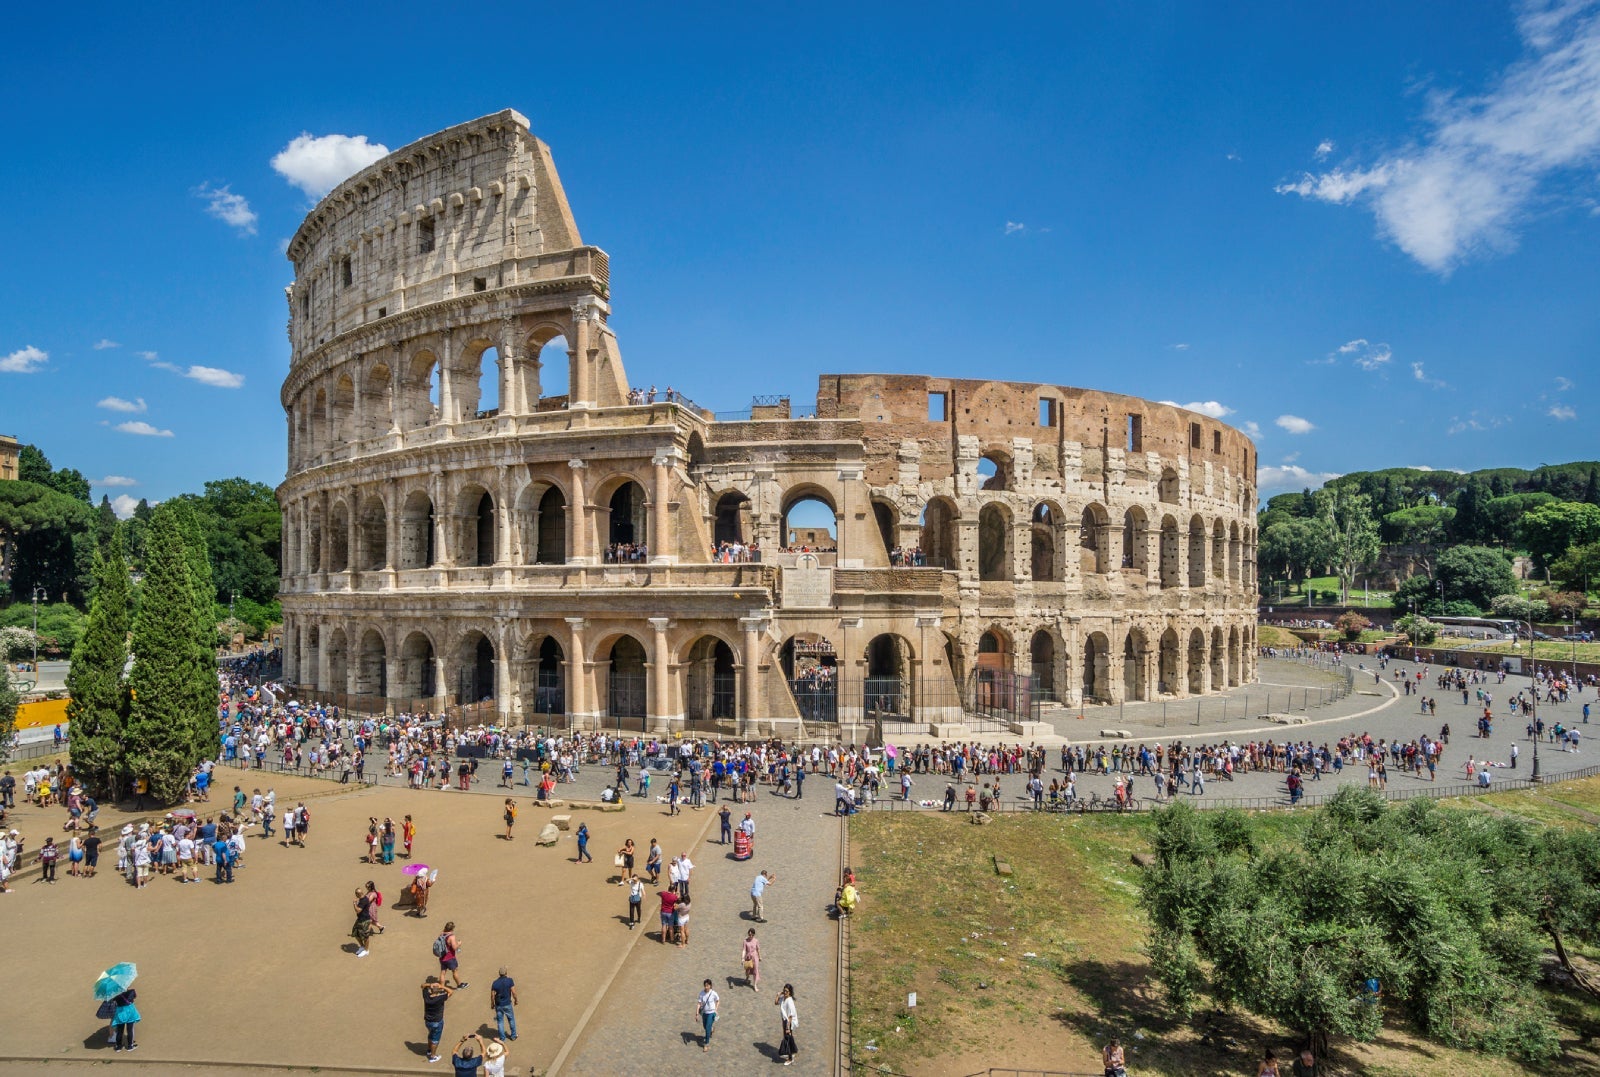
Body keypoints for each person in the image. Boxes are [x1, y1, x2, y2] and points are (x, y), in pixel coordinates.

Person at [420, 976, 454, 1064]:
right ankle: (433, 1056)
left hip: (428, 1021)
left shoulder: (426, 996)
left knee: (430, 1034)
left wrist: (430, 984)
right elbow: (451, 992)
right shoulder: (440, 998)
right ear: (438, 991)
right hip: (437, 1021)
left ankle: (428, 1049)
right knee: (435, 1039)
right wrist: (442, 986)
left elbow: (422, 986)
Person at [435, 921, 467, 988]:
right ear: (452, 929)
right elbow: (454, 948)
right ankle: (459, 985)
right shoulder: (451, 937)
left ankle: (442, 987)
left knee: (443, 972)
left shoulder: (441, 934)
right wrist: (459, 943)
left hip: (442, 957)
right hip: (450, 958)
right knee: (454, 971)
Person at [489, 966, 518, 1041]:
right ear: (506, 973)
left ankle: (502, 1038)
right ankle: (513, 1036)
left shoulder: (495, 983)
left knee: (500, 1022)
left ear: (499, 974)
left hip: (498, 1005)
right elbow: (514, 992)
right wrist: (516, 1000)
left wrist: (492, 1004)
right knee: (511, 1019)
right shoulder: (510, 980)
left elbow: (492, 995)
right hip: (507, 1004)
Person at [776, 983, 799, 1065]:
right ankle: (792, 1052)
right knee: (788, 1037)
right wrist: (778, 995)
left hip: (788, 1022)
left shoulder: (789, 1002)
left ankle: (790, 1058)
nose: (785, 992)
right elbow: (776, 1003)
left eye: (786, 991)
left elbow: (791, 1015)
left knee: (787, 1038)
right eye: (784, 990)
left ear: (790, 992)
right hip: (784, 1020)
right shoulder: (783, 998)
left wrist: (788, 1027)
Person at [352, 882, 377, 957]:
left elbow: (358, 910)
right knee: (355, 933)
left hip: (365, 921)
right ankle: (362, 947)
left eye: (356, 894)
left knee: (365, 936)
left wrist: (354, 904)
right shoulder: (363, 898)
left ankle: (366, 950)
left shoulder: (363, 901)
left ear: (358, 894)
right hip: (360, 919)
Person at [110, 987, 140, 1051]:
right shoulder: (132, 991)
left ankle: (118, 1047)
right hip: (130, 1012)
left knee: (119, 1031)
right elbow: (135, 996)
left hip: (120, 1013)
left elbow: (113, 1001)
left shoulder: (116, 995)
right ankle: (130, 1046)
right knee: (130, 1030)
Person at [696, 979, 720, 1052]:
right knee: (705, 1026)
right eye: (705, 985)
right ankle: (711, 1029)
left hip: (711, 1013)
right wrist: (696, 1013)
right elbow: (699, 1004)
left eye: (708, 985)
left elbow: (718, 1000)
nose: (706, 987)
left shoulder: (713, 993)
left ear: (710, 986)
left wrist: (716, 1009)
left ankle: (706, 1044)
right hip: (704, 1013)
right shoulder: (701, 993)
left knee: (707, 1028)